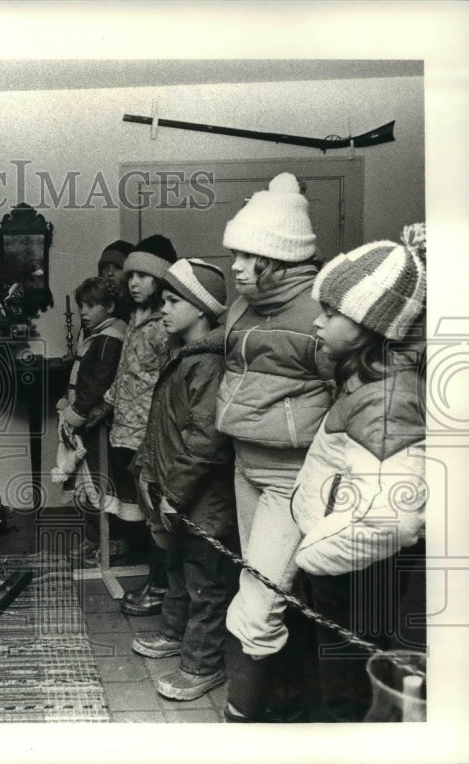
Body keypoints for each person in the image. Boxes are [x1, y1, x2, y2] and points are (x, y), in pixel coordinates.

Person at [289, 224, 427, 722]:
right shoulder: (366, 377)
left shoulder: (387, 401)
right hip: (341, 567)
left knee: (346, 695)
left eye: (331, 311)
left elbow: (392, 520)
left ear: (373, 325)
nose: (317, 322)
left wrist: (312, 552)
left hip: (354, 575)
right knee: (333, 679)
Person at [216, 172, 335, 722]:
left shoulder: (321, 317)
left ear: (279, 259)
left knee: (259, 603)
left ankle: (242, 720)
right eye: (234, 255)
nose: (235, 267)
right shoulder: (243, 305)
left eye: (246, 257)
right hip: (245, 465)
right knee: (263, 587)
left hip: (292, 478)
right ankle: (283, 703)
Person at [129, 259, 238, 701]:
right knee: (177, 567)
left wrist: (174, 492)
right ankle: (175, 635)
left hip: (203, 499)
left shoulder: (208, 364)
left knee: (205, 581)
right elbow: (164, 427)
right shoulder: (185, 356)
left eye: (174, 302)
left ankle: (201, 665)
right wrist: (150, 473)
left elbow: (204, 441)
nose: (164, 310)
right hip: (174, 488)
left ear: (201, 309)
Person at [100, 236, 178, 613]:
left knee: (159, 514)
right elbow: (125, 373)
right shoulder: (133, 318)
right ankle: (157, 583)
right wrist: (105, 405)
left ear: (161, 280)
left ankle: (161, 588)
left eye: (144, 276)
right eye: (132, 275)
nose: (134, 283)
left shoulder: (168, 323)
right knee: (148, 514)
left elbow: (171, 382)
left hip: (153, 434)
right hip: (126, 433)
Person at [55, 277, 126, 559]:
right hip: (83, 420)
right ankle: (94, 538)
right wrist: (66, 402)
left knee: (101, 481)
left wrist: (75, 413)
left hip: (97, 423)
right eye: (82, 305)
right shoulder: (97, 336)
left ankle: (113, 542)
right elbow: (78, 376)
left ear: (109, 307)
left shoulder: (111, 339)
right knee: (86, 482)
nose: (83, 311)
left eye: (91, 305)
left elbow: (97, 383)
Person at [97, 239, 138, 321]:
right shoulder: (95, 307)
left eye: (118, 267)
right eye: (105, 268)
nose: (109, 273)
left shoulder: (138, 308)